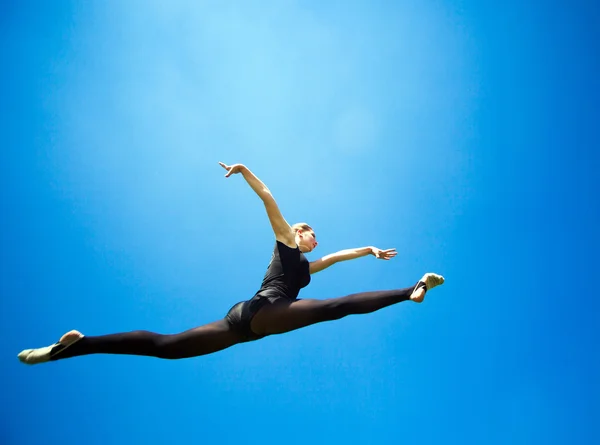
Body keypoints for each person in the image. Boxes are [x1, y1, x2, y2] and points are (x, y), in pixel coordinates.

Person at [18, 162, 444, 364]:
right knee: (335, 309)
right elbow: (270, 198)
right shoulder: (286, 241)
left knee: (167, 348)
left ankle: (73, 347)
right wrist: (246, 171)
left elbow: (335, 257)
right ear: (299, 233)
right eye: (312, 232)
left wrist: (368, 250)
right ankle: (413, 288)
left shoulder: (305, 268)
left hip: (240, 323)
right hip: (265, 311)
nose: (317, 240)